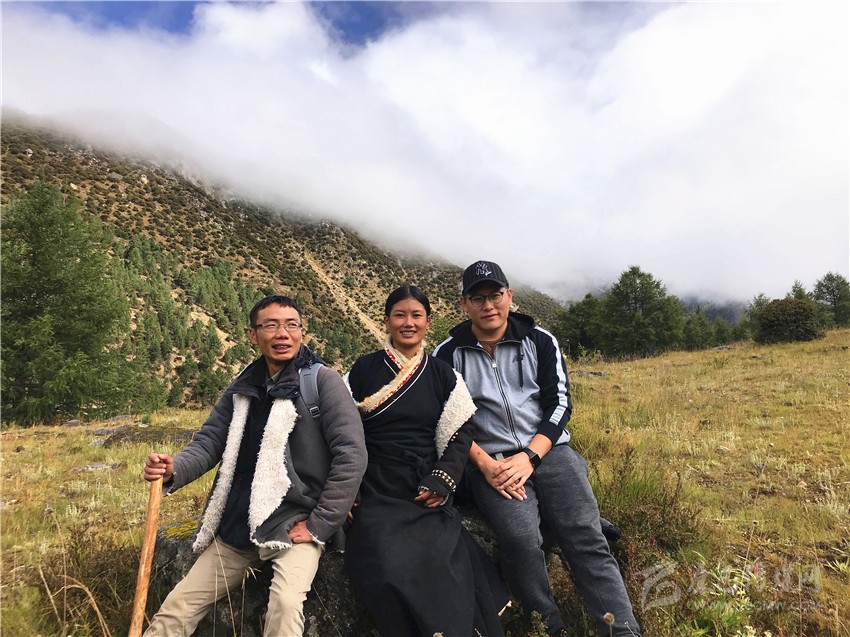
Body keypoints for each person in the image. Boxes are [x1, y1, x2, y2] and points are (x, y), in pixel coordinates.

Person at [433, 261, 641, 637]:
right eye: (477, 298)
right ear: (464, 304)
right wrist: (486, 466)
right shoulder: (448, 355)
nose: (488, 305)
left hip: (549, 452)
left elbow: (559, 404)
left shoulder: (539, 340)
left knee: (585, 534)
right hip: (493, 463)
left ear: (509, 295)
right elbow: (448, 421)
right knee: (521, 539)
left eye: (495, 295)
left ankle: (622, 630)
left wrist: (530, 456)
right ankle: (548, 626)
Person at [142, 295, 367, 637]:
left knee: (286, 604)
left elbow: (351, 454)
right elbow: (209, 441)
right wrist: (174, 469)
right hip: (239, 524)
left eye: (291, 325)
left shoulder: (322, 381)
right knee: (178, 608)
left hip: (295, 523)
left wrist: (320, 524)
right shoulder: (243, 387)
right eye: (271, 325)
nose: (282, 334)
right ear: (253, 335)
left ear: (301, 331)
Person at [344, 285, 508, 637]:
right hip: (374, 483)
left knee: (441, 557)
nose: (408, 323)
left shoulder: (442, 373)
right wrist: (347, 488)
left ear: (428, 322)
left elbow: (461, 431)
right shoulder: (362, 370)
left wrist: (444, 478)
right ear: (386, 321)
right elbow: (341, 432)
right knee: (381, 558)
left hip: (424, 481)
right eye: (400, 315)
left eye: (416, 315)